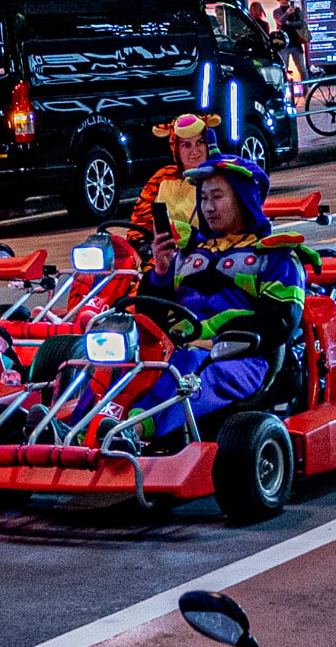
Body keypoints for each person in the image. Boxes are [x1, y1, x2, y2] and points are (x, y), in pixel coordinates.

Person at [120, 156, 307, 436]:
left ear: (243, 198)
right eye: (203, 197)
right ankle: (74, 425)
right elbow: (150, 314)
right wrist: (160, 271)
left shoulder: (274, 255)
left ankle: (136, 430)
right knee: (117, 360)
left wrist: (213, 341)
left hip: (244, 359)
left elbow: (280, 322)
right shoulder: (186, 252)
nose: (207, 207)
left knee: (189, 364)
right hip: (177, 350)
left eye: (217, 197)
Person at [128, 112, 222, 246]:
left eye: (200, 142)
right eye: (186, 145)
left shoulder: (222, 176)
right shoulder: (162, 178)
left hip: (209, 252)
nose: (195, 151)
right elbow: (141, 220)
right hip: (167, 253)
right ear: (176, 148)